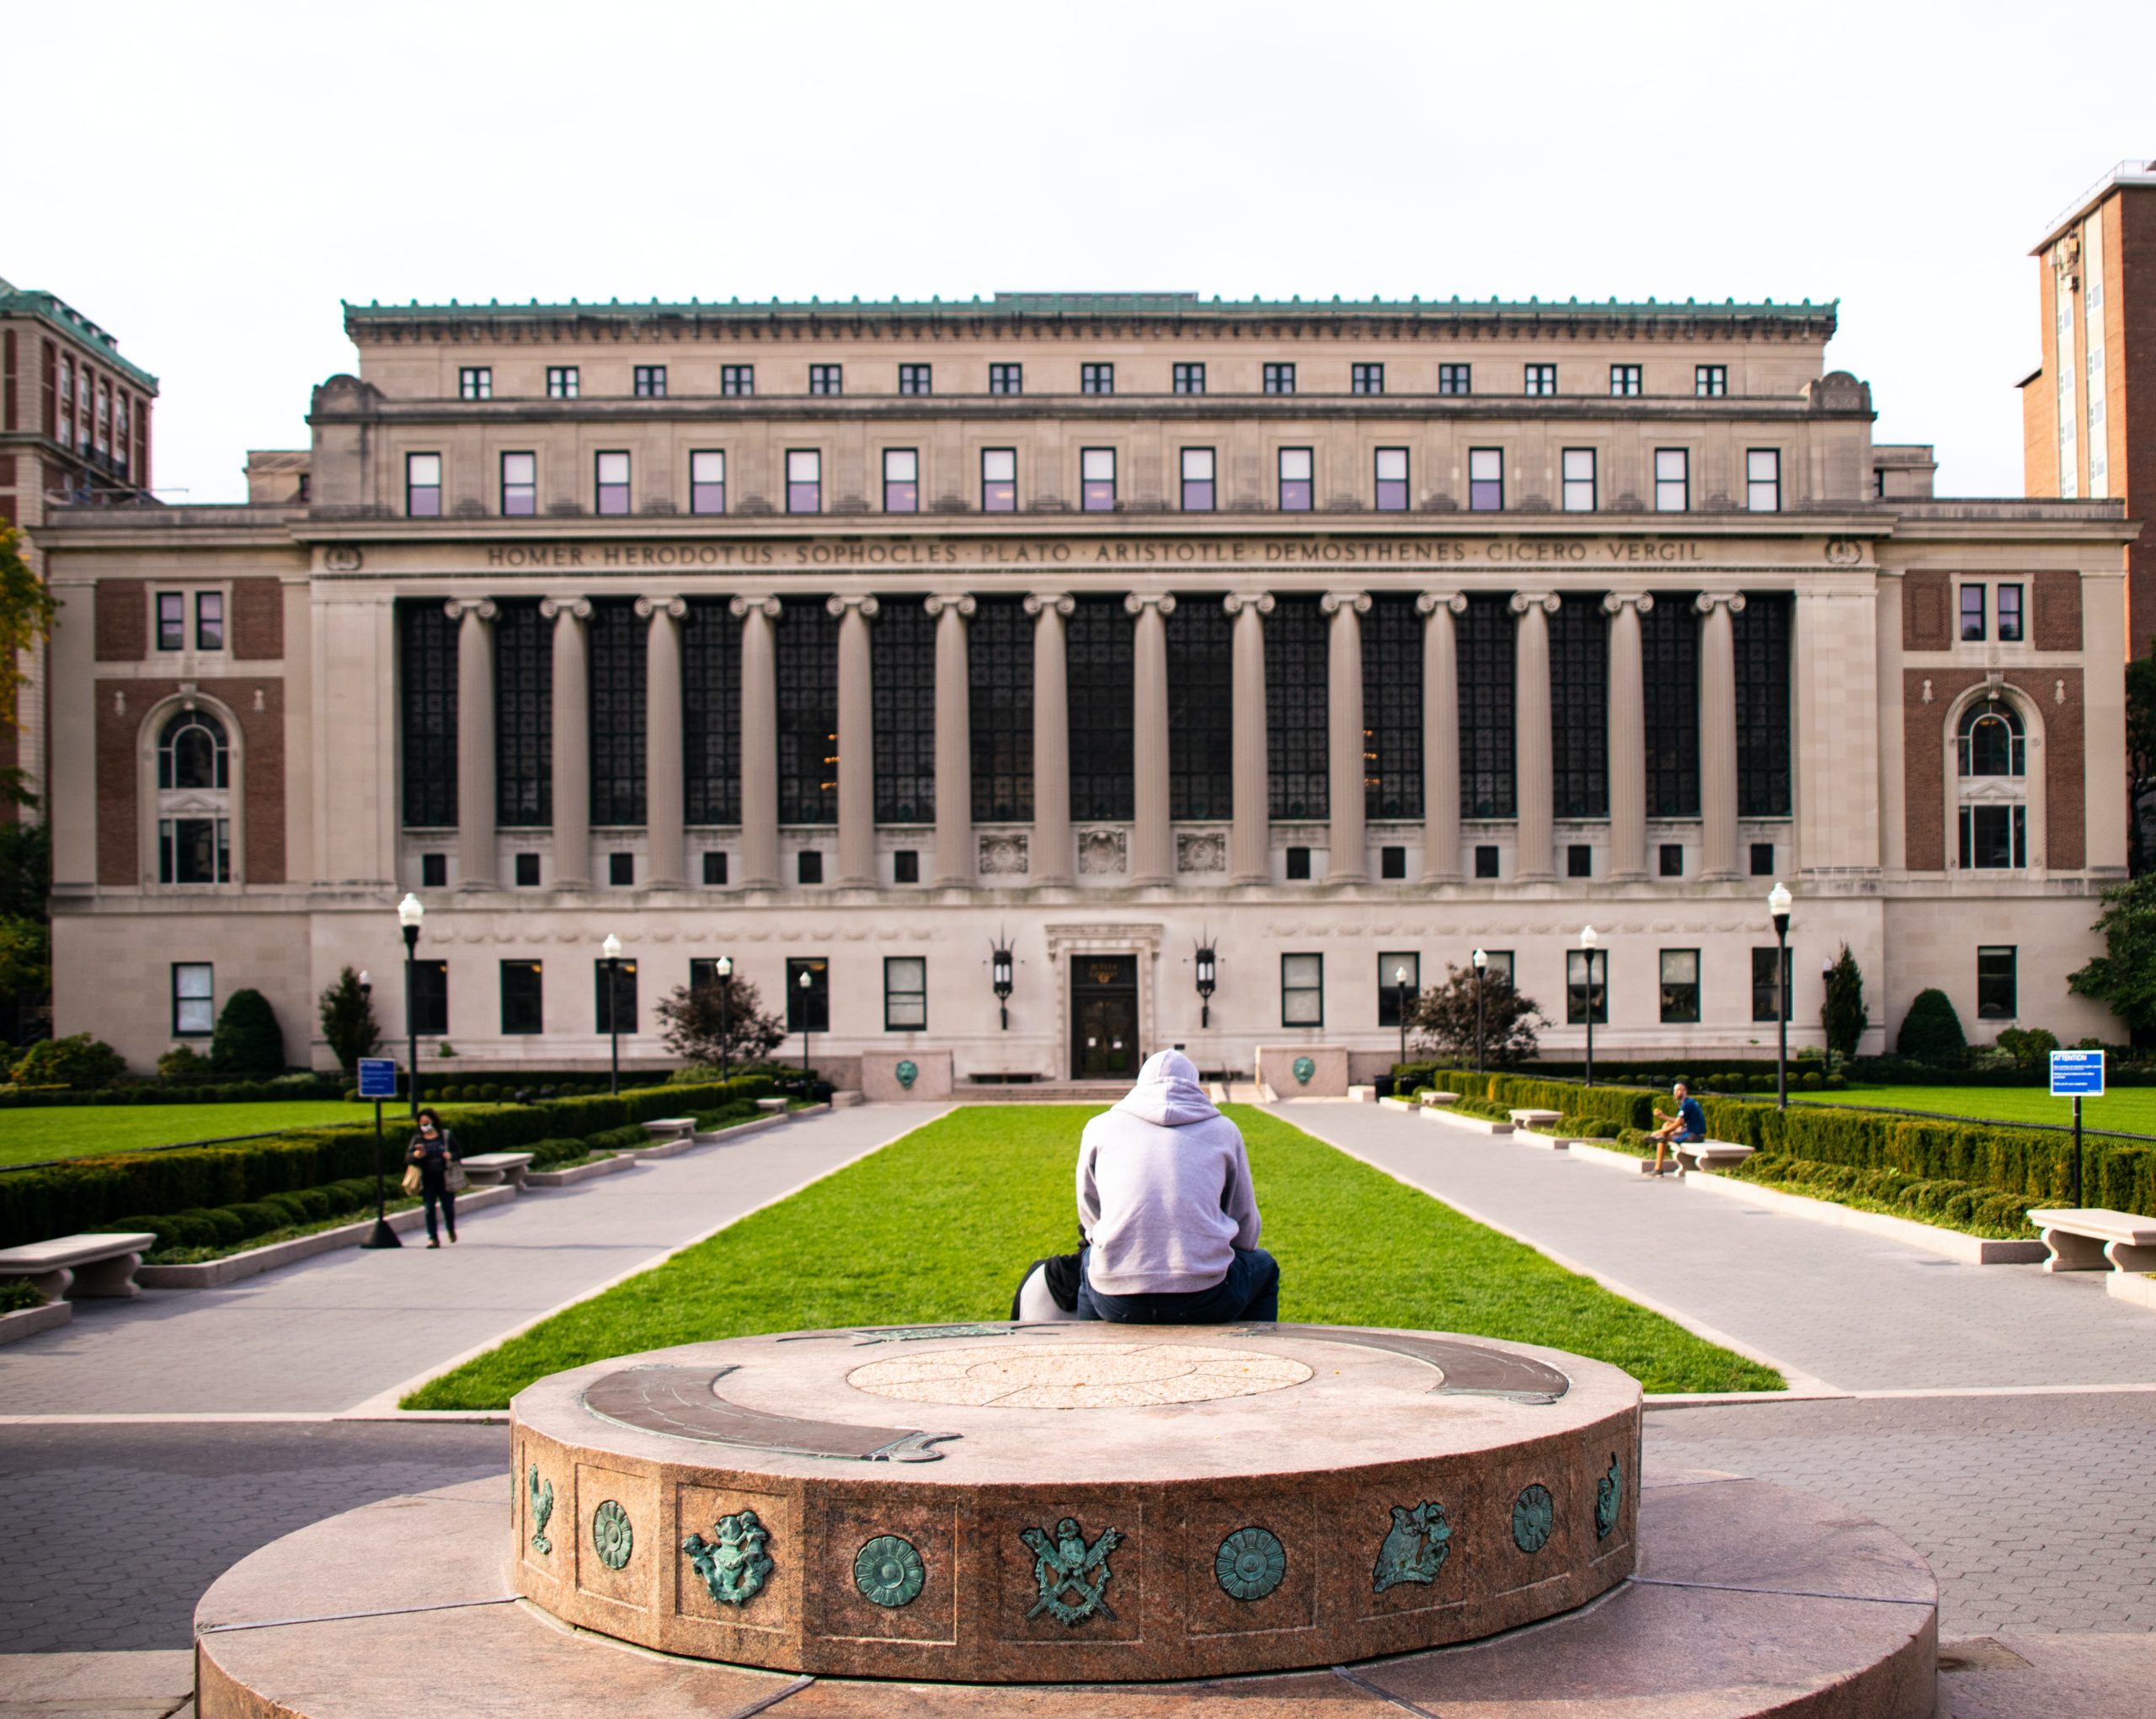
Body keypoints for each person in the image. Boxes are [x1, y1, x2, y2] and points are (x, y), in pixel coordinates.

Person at [1073, 1049, 1279, 1323]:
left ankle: (1088, 1351)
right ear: (1195, 1085)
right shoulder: (1224, 1130)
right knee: (1265, 1267)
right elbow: (1245, 1222)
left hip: (1116, 1298)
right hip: (1205, 1296)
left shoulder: (1099, 1127)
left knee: (1091, 1262)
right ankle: (1260, 1354)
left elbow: (1089, 1211)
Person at [406, 1108, 463, 1247]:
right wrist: (416, 1156)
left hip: (445, 1177)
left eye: (427, 1122)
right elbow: (408, 1157)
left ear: (433, 1122)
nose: (424, 1125)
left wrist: (451, 1156)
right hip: (428, 1179)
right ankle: (433, 1238)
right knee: (429, 1209)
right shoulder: (418, 1138)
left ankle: (451, 1229)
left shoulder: (445, 1136)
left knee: (448, 1208)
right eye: (422, 1123)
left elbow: (459, 1151)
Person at [1645, 1081, 1706, 1177]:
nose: (1677, 1092)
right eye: (1675, 1090)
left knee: (1664, 1136)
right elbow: (1679, 1121)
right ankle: (1659, 1138)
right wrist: (1663, 1116)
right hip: (1691, 1133)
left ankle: (1658, 1169)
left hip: (1694, 1136)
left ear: (1685, 1092)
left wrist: (1659, 1132)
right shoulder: (1688, 1102)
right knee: (1667, 1125)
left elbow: (1678, 1123)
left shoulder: (1687, 1104)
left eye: (1679, 1090)